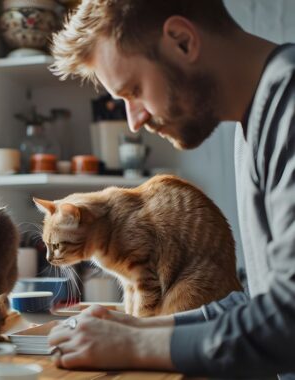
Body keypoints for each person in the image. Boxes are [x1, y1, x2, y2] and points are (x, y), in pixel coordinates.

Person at [46, 1, 295, 378]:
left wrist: (131, 345)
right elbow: (263, 302)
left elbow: (289, 320)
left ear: (182, 41)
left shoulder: (289, 110)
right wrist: (132, 327)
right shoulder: (256, 119)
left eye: (134, 90)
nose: (133, 122)